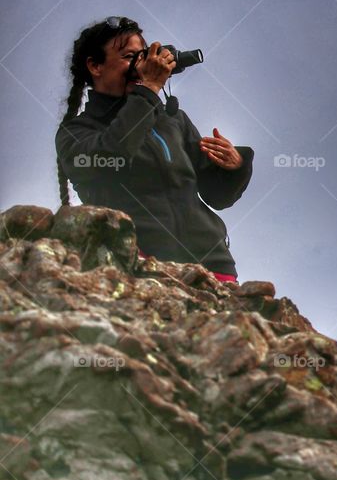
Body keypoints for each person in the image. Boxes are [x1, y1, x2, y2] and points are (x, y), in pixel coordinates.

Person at [55, 16, 254, 282]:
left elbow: (217, 196)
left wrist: (236, 167)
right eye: (129, 57)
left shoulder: (173, 120)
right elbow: (110, 156)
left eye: (144, 56)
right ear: (95, 66)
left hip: (212, 265)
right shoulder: (76, 132)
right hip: (139, 266)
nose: (143, 65)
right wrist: (148, 88)